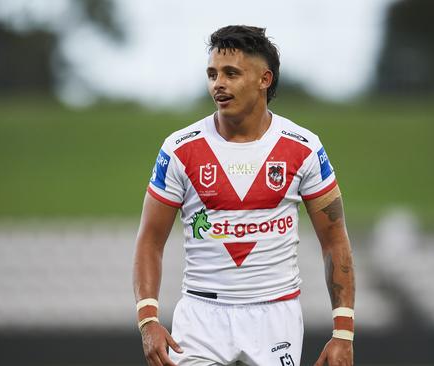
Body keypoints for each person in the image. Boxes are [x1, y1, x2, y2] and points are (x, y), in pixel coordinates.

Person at [133, 25, 356, 366]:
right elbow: (149, 240)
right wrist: (148, 320)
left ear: (264, 79)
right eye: (212, 74)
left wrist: (343, 332)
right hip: (201, 316)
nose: (217, 84)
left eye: (231, 73)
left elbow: (335, 241)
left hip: (274, 315)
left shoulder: (304, 148)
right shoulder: (179, 149)